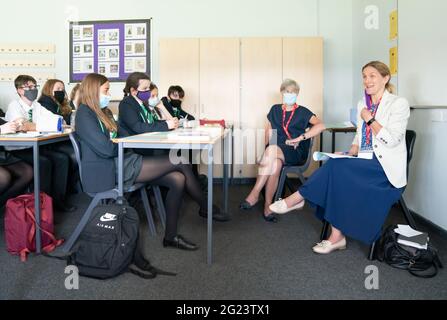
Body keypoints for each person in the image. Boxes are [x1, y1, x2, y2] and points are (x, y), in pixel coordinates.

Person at [269, 61, 409, 254]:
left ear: (385, 78)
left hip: (384, 170)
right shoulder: (363, 103)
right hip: (366, 160)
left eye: (372, 76)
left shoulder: (398, 103)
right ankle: (335, 236)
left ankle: (299, 199)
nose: (367, 81)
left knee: (336, 170)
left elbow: (392, 140)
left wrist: (369, 118)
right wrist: (351, 150)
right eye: (364, 76)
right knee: (336, 166)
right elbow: (361, 135)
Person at [76, 74, 225, 252]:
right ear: (93, 91)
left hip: (121, 161)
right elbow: (107, 149)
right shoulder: (84, 114)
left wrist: (123, 143)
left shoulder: (101, 112)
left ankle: (171, 236)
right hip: (108, 169)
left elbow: (117, 139)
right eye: (106, 90)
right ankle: (206, 207)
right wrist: (125, 144)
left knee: (177, 179)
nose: (109, 94)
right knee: (182, 161)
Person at [118, 72, 228, 222]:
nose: (149, 92)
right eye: (145, 88)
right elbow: (138, 127)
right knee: (182, 161)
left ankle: (178, 229)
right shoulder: (127, 104)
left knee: (181, 170)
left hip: (148, 149)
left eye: (149, 87)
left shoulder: (143, 104)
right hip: (137, 153)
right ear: (133, 91)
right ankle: (205, 207)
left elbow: (155, 123)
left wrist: (162, 116)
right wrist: (165, 125)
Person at [240, 79, 324, 223]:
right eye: (286, 92)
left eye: (292, 92)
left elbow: (321, 126)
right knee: (275, 165)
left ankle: (254, 193)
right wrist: (266, 151)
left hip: (294, 150)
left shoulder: (303, 112)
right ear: (282, 93)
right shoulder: (275, 109)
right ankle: (268, 206)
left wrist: (301, 137)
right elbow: (269, 131)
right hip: (275, 151)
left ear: (297, 94)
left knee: (272, 153)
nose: (289, 94)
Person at [5, 75, 75, 212]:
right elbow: (23, 125)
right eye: (29, 87)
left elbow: (58, 119)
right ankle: (43, 206)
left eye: (34, 86)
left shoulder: (37, 106)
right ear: (20, 90)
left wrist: (40, 124)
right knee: (44, 163)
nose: (33, 89)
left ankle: (58, 201)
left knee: (62, 159)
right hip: (18, 149)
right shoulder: (14, 105)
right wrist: (43, 125)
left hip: (35, 146)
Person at [38, 79, 79, 194]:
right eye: (58, 89)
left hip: (59, 140)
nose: (61, 91)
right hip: (49, 144)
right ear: (49, 89)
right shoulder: (44, 103)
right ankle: (61, 196)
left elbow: (66, 123)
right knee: (70, 156)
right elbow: (59, 123)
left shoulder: (60, 104)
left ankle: (69, 190)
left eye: (62, 89)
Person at [0, 119, 33, 206]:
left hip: (2, 156)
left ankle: (3, 204)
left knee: (28, 172)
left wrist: (15, 124)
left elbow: (5, 124)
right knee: (4, 177)